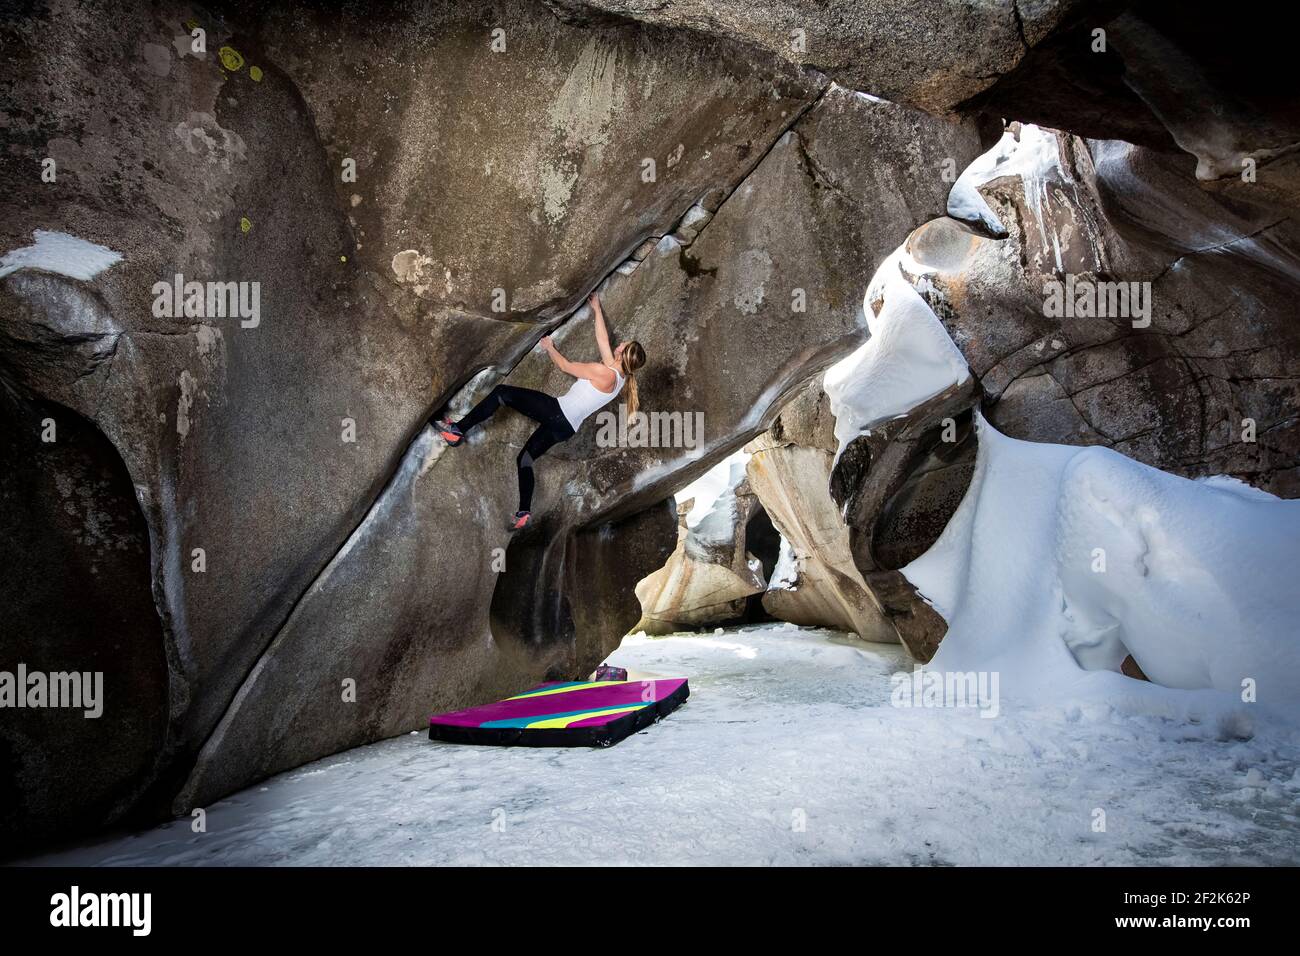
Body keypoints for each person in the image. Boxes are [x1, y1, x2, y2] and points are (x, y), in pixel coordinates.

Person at [436, 293, 646, 531]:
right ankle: (523, 512)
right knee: (525, 458)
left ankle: (457, 431)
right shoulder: (619, 378)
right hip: (566, 428)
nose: (619, 344)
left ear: (623, 354)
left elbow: (565, 366)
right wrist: (597, 310)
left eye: (623, 345)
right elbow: (602, 340)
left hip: (557, 412)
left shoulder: (604, 372)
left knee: (502, 393)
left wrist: (550, 347)